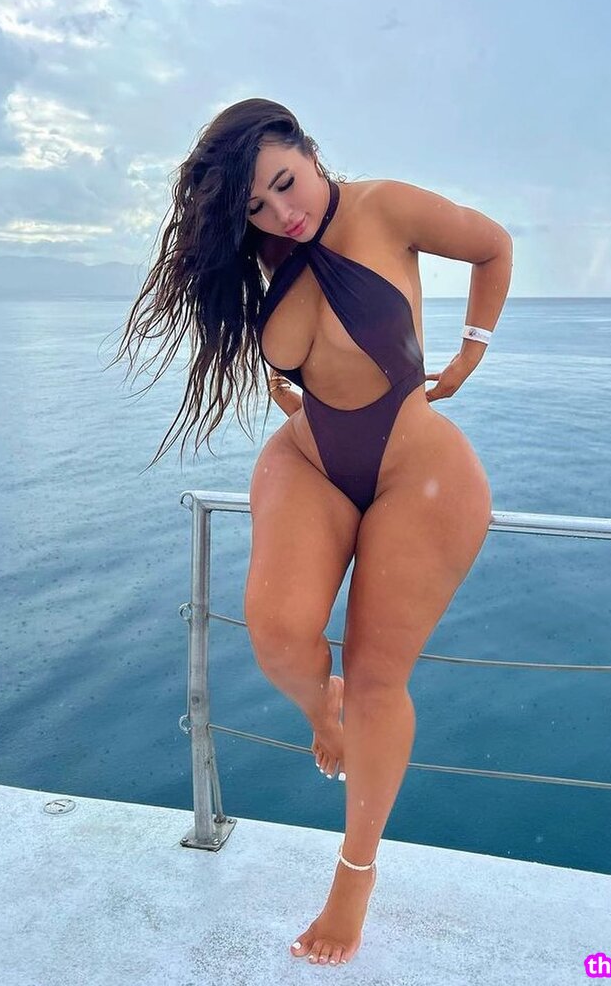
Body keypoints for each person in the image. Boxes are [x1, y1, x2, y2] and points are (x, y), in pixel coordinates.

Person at [108, 98, 513, 966]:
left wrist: (471, 349)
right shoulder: (263, 255)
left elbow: (492, 245)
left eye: (285, 184)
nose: (281, 213)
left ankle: (353, 876)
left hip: (416, 467)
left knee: (375, 679)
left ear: (308, 149)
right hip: (310, 458)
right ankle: (318, 711)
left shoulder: (384, 207)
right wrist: (286, 387)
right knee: (278, 634)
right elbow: (295, 356)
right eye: (256, 205)